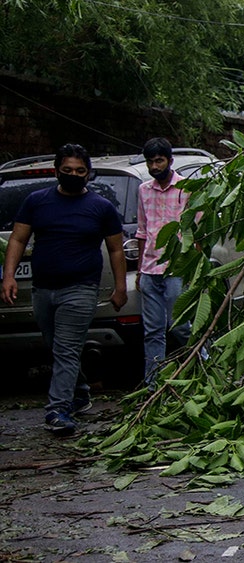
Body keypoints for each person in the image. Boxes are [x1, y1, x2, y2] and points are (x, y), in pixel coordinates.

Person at [1, 144, 127, 435]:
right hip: (43, 288)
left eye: (80, 171)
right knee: (58, 347)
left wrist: (120, 287)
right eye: (68, 170)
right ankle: (80, 391)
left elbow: (116, 249)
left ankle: (58, 409)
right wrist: (8, 276)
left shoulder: (101, 208)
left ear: (88, 174)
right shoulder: (36, 202)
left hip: (81, 288)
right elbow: (18, 240)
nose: (73, 175)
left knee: (67, 348)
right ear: (57, 170)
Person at [135, 138, 192, 388]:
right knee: (153, 332)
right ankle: (152, 384)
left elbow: (196, 231)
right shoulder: (144, 190)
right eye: (150, 161)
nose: (154, 166)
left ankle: (203, 367)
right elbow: (142, 231)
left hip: (177, 269)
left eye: (159, 161)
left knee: (180, 327)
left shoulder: (187, 188)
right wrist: (139, 271)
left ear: (170, 161)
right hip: (149, 270)